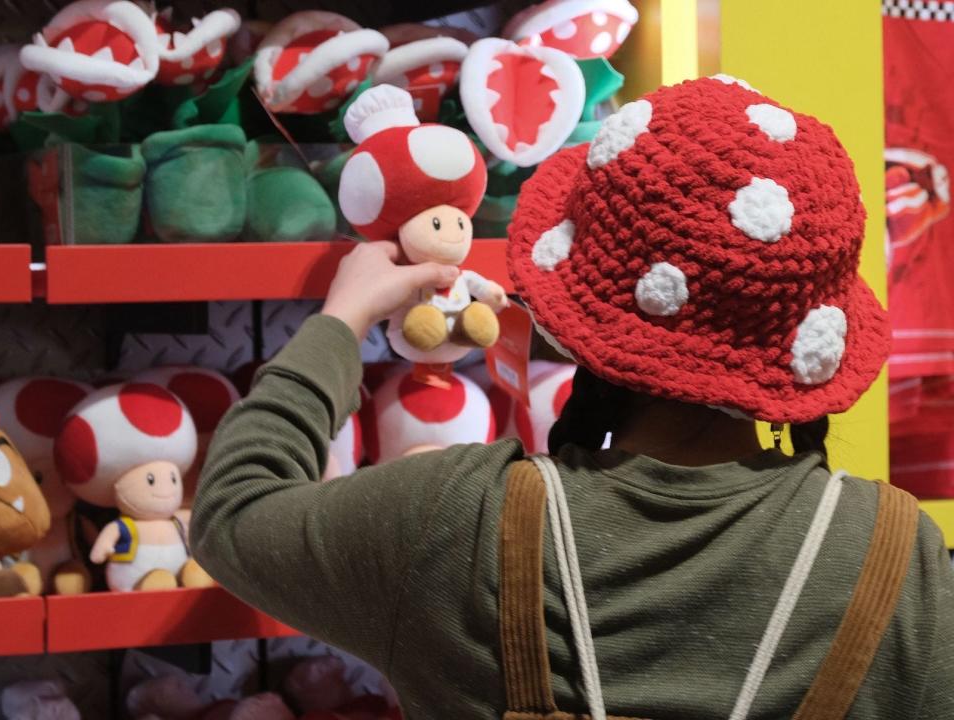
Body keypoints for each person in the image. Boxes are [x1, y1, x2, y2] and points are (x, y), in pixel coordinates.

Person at [190, 77, 954, 719]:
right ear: (805, 340)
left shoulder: (457, 521)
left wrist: (339, 321)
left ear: (578, 314)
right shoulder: (898, 560)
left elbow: (233, 514)